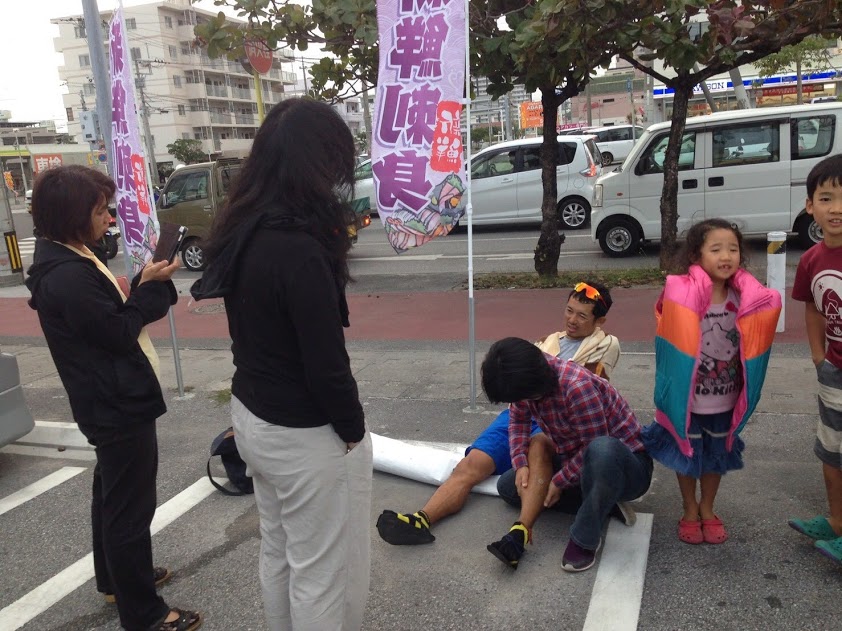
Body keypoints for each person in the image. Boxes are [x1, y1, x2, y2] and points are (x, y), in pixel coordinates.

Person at [190, 98, 372, 631]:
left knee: (279, 551)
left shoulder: (243, 229)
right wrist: (353, 429)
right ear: (317, 164)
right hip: (302, 433)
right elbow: (325, 363)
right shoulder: (299, 247)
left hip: (253, 415)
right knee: (320, 571)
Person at [26, 165, 201, 631]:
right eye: (100, 210)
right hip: (116, 403)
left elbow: (105, 320)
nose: (109, 219)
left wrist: (143, 283)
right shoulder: (68, 276)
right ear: (72, 215)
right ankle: (144, 614)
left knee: (111, 494)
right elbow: (119, 331)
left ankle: (114, 579)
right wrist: (152, 289)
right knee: (129, 510)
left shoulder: (66, 256)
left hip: (105, 398)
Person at [376, 282, 621, 547]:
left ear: (600, 321)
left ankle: (521, 532)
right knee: (472, 464)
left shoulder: (606, 345)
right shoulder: (549, 340)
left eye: (582, 315)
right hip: (521, 408)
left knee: (538, 450)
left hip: (557, 415)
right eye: (569, 310)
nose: (572, 320)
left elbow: (588, 385)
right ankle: (422, 519)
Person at [642, 219, 780, 546]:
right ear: (696, 255)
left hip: (726, 398)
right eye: (716, 249)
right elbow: (665, 332)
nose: (726, 256)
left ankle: (707, 507)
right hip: (688, 399)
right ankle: (689, 507)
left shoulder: (746, 297)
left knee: (716, 455)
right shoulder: (680, 292)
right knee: (687, 453)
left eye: (733, 249)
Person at [481, 337, 652, 573]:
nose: (518, 402)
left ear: (534, 385)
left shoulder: (576, 387)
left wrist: (558, 481)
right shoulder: (523, 377)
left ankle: (585, 538)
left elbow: (592, 447)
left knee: (602, 449)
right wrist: (521, 464)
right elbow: (518, 421)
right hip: (576, 457)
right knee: (509, 488)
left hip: (626, 467)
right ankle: (605, 503)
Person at [789, 154, 842, 566]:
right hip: (834, 372)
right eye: (826, 198)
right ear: (810, 206)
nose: (836, 209)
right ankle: (836, 522)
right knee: (831, 453)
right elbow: (811, 307)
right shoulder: (811, 259)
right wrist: (817, 356)